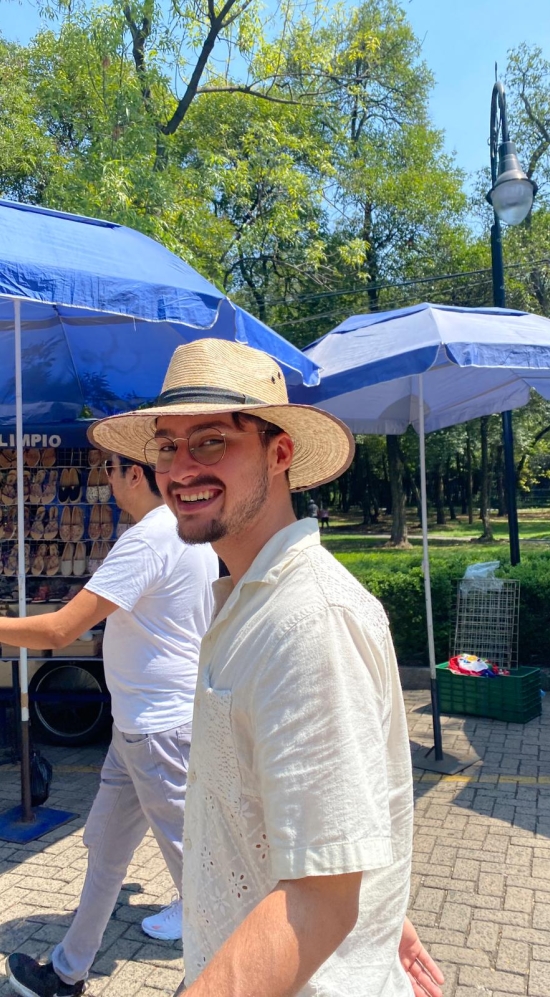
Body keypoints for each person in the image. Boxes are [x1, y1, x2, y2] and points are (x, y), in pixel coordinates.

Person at [84, 338, 444, 997]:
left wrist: (343, 892)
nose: (180, 467)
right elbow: (320, 825)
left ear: (280, 454)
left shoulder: (307, 622)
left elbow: (317, 899)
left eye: (212, 440)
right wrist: (373, 895)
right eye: (167, 444)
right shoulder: (252, 599)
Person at [5, 454, 218, 997]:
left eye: (111, 470)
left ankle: (237, 977)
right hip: (140, 731)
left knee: (202, 877)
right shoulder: (185, 532)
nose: (106, 480)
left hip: (157, 731)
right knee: (105, 849)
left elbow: (60, 627)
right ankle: (67, 972)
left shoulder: (148, 538)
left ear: (135, 475)